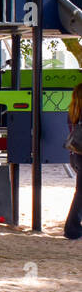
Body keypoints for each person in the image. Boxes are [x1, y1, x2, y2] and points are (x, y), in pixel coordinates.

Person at [66, 84, 82, 240]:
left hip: (76, 155)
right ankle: (72, 228)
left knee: (80, 192)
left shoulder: (73, 112)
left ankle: (73, 227)